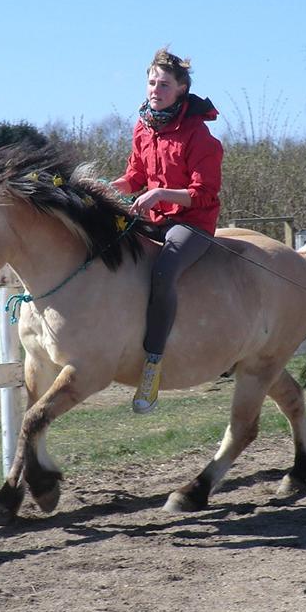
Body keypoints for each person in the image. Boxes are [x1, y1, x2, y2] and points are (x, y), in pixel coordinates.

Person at [112, 47, 224, 414]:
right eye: (151, 82)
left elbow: (203, 193)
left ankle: (153, 366)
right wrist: (106, 189)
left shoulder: (199, 135)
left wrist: (158, 193)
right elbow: (134, 177)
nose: (155, 89)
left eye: (163, 84)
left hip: (192, 223)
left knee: (164, 270)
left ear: (181, 89)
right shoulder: (142, 127)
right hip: (154, 218)